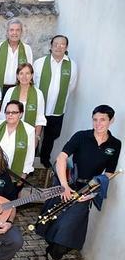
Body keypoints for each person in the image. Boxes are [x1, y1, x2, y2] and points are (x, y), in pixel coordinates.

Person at [37, 105, 121, 260]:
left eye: (103, 120)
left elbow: (108, 174)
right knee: (52, 218)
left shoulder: (115, 144)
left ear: (111, 120)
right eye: (95, 119)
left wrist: (91, 194)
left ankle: (55, 253)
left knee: (69, 226)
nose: (98, 124)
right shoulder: (81, 136)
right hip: (67, 183)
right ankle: (50, 247)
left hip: (86, 190)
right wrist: (64, 186)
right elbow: (61, 158)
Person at [33, 35, 78, 168]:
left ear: (66, 47)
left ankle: (44, 159)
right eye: (56, 44)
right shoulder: (39, 63)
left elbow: (71, 86)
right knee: (34, 134)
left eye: (62, 44)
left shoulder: (72, 65)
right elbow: (33, 83)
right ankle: (30, 159)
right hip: (39, 108)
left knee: (50, 137)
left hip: (57, 109)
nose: (59, 46)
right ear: (51, 46)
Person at [0, 101, 35, 191]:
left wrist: (23, 175)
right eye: (7, 112)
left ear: (21, 114)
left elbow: (29, 155)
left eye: (14, 112)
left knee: (9, 200)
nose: (10, 115)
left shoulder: (29, 130)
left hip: (14, 174)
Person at [0, 63, 46, 143]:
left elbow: (39, 119)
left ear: (31, 75)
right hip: (9, 133)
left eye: (27, 73)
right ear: (17, 76)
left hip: (29, 135)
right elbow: (3, 115)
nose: (24, 77)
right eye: (21, 73)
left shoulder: (38, 94)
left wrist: (36, 137)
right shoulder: (10, 92)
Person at [0, 18, 33, 96]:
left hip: (17, 89)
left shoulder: (27, 49)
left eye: (17, 30)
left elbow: (29, 71)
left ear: (21, 32)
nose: (14, 33)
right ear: (7, 32)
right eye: (11, 30)